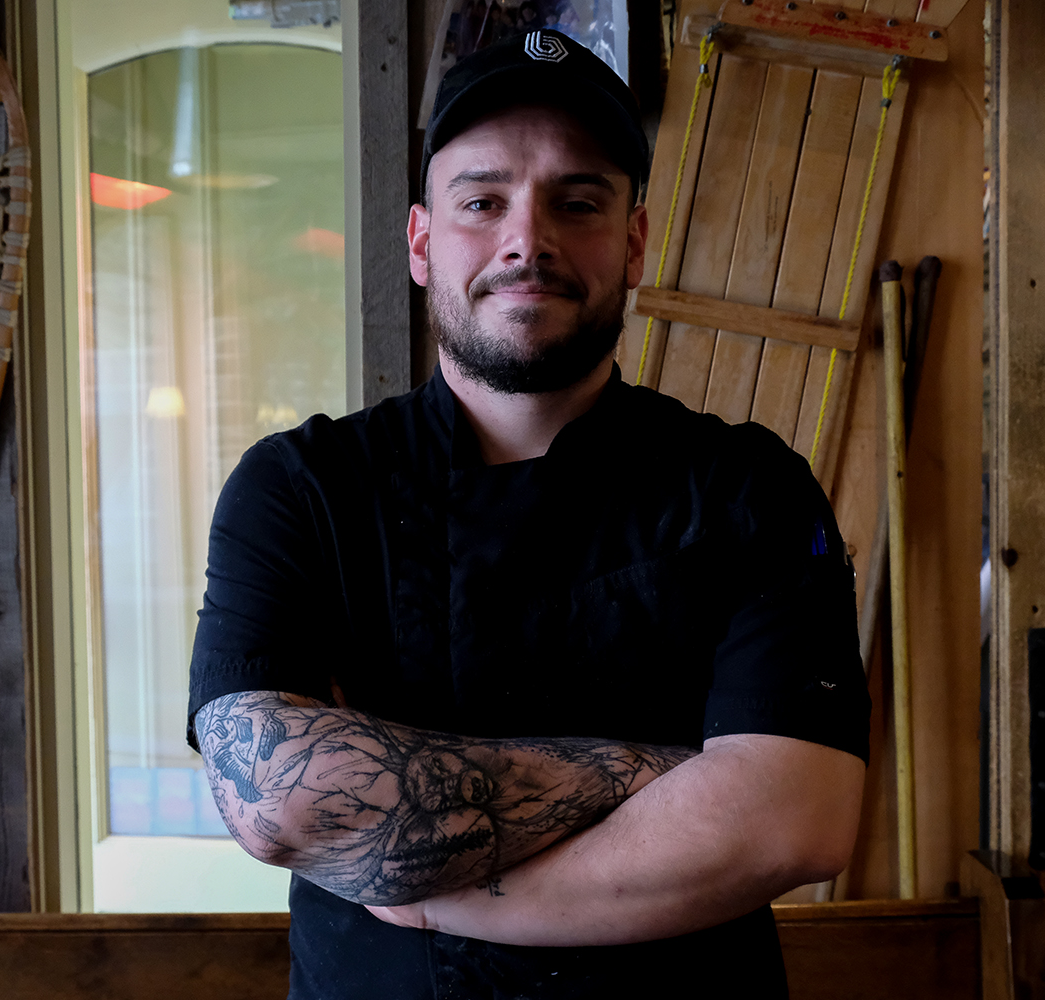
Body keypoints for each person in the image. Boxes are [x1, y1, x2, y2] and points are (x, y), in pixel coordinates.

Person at [188, 28, 869, 999]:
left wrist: (432, 890)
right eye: (484, 200)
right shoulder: (301, 490)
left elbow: (796, 820)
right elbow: (281, 804)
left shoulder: (752, 490)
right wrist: (666, 774)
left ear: (634, 242)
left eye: (578, 200)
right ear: (423, 241)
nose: (528, 239)